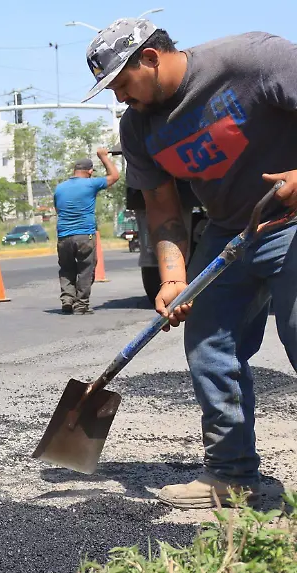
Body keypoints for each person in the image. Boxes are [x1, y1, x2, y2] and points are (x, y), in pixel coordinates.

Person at [83, 18, 297, 509]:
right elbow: (161, 208)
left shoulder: (254, 59)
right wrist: (173, 277)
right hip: (229, 231)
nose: (118, 98)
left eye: (120, 83)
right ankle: (231, 473)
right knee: (208, 344)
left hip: (291, 218)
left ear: (151, 57)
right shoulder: (137, 126)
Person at [53, 150, 120, 315]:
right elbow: (114, 176)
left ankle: (67, 299)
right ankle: (81, 305)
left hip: (63, 236)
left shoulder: (59, 188)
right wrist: (104, 157)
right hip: (84, 235)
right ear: (90, 171)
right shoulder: (91, 184)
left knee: (67, 268)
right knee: (86, 269)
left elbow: (57, 209)